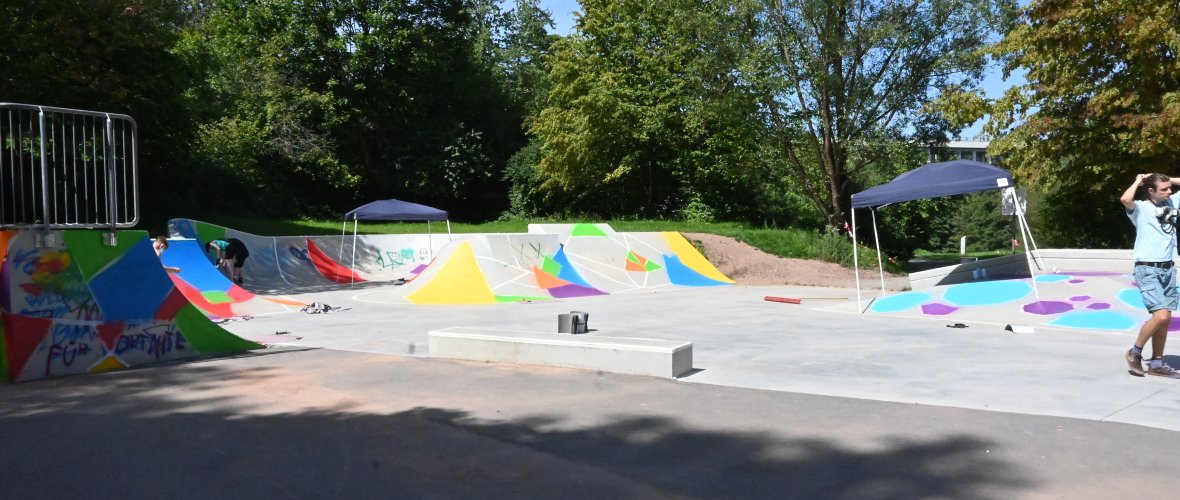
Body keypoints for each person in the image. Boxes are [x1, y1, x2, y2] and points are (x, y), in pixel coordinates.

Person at [1121, 173, 1180, 378]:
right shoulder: (1141, 209)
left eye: (1169, 188)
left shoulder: (1172, 201)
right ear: (1150, 191)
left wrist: (1168, 180)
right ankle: (1135, 352)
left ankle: (1156, 363)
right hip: (1147, 268)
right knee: (1161, 315)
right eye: (1163, 189)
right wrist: (1139, 180)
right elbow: (1125, 199)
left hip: (1167, 269)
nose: (1169, 192)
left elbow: (1172, 188)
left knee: (1165, 319)